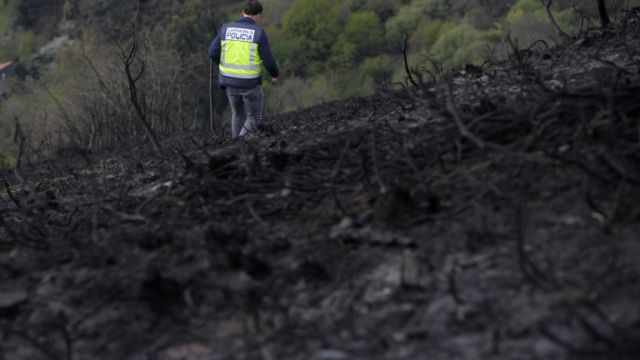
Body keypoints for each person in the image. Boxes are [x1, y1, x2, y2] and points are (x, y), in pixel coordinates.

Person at [209, 0, 279, 138]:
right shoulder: (258, 33)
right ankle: (238, 144)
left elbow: (212, 52)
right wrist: (274, 74)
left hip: (228, 81)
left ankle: (235, 146)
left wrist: (222, 65)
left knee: (237, 114)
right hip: (249, 83)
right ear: (258, 15)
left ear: (243, 12)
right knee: (254, 117)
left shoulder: (225, 29)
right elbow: (268, 60)